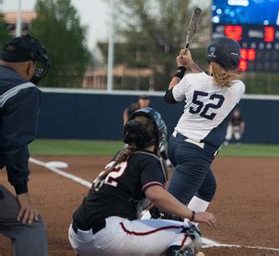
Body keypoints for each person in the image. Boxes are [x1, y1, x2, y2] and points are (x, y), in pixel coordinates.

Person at [69, 107, 216, 256]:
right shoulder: (148, 159)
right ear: (156, 136)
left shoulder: (120, 156)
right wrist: (192, 215)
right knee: (189, 234)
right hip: (108, 236)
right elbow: (155, 194)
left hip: (78, 237)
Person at [163, 37, 245, 215]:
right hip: (196, 153)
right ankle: (144, 233)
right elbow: (214, 81)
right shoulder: (238, 87)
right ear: (232, 60)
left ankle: (186, 227)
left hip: (176, 144)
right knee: (169, 208)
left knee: (207, 189)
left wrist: (182, 67)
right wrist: (191, 65)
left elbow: (169, 97)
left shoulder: (191, 80)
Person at [0, 35, 51, 256]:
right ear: (30, 66)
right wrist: (22, 193)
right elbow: (15, 144)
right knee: (29, 224)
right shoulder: (23, 90)